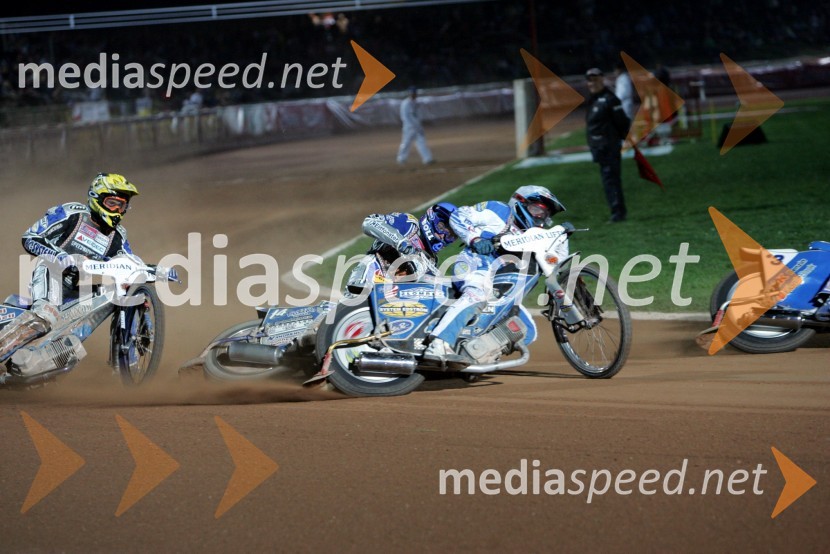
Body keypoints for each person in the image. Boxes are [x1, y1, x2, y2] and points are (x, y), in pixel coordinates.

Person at [424, 186, 565, 362]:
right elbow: (459, 215)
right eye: (536, 209)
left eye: (544, 213)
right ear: (521, 202)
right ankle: (439, 343)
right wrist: (475, 238)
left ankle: (475, 353)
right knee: (476, 294)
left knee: (527, 331)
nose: (539, 216)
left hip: (500, 277)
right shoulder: (499, 210)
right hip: (474, 262)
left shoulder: (534, 234)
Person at [16, 173, 140, 338]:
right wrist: (60, 256)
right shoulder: (73, 213)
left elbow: (129, 262)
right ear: (96, 197)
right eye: (112, 204)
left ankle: (124, 352)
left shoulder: (117, 235)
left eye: (122, 206)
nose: (117, 211)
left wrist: (145, 280)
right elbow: (30, 237)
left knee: (121, 292)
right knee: (45, 317)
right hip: (48, 274)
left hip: (72, 290)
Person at [585, 67, 632, 223]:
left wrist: (622, 138)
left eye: (596, 79)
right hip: (599, 147)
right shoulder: (592, 100)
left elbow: (622, 122)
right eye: (590, 80)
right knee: (608, 180)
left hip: (608, 146)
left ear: (602, 79)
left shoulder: (610, 99)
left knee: (611, 179)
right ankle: (616, 210)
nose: (593, 83)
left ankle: (618, 212)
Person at [362, 202, 457, 271]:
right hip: (368, 282)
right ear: (432, 219)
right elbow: (369, 222)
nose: (443, 236)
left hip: (393, 296)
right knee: (369, 262)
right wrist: (402, 243)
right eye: (442, 227)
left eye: (451, 236)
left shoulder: (432, 262)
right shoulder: (408, 224)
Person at [396, 87, 434, 166]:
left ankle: (428, 159)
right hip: (409, 127)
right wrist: (411, 125)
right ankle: (401, 158)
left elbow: (417, 115)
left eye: (415, 93)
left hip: (417, 126)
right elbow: (405, 116)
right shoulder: (405, 103)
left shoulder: (416, 103)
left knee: (421, 142)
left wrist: (419, 125)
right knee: (406, 143)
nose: (414, 94)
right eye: (413, 93)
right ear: (410, 93)